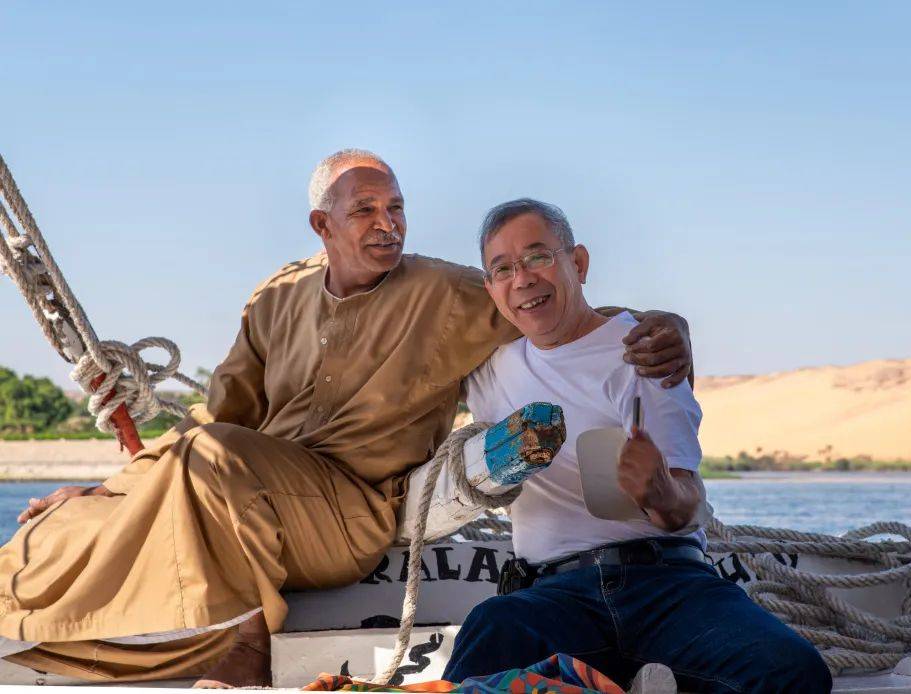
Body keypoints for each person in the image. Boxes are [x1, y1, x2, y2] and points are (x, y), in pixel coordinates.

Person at [0, 152, 693, 687]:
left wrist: (663, 325)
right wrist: (110, 492)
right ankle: (41, 634)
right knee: (60, 522)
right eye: (365, 210)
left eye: (396, 208)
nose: (388, 223)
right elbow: (221, 417)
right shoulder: (275, 299)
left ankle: (242, 648)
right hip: (254, 497)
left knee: (209, 456)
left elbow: (552, 307)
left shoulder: (446, 293)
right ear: (322, 225)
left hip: (353, 513)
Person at [442, 199, 832, 693]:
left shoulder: (645, 351)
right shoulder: (485, 368)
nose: (522, 279)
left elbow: (687, 505)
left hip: (665, 586)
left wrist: (660, 493)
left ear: (578, 263)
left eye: (538, 257)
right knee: (490, 630)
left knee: (792, 670)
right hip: (553, 596)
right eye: (503, 268)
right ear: (491, 288)